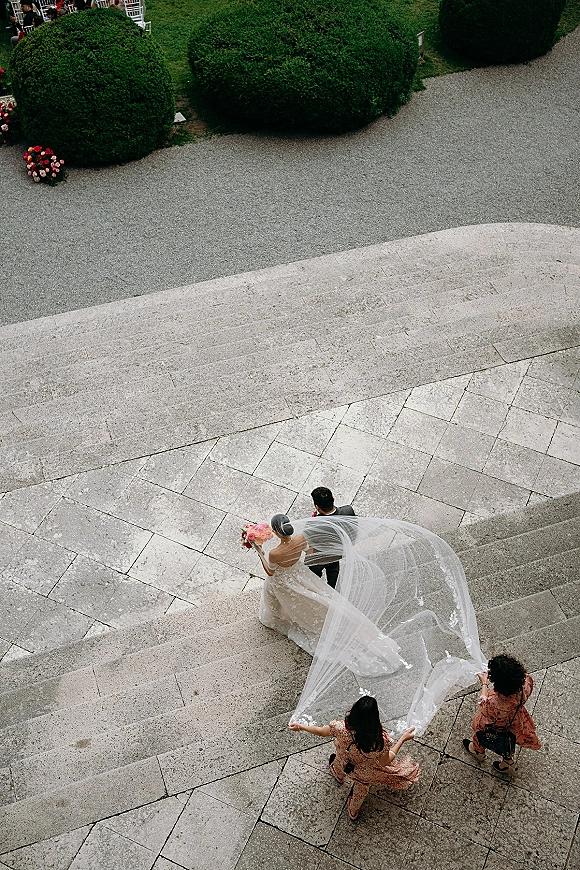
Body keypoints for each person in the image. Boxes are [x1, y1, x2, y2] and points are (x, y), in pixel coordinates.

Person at [290, 695, 420, 819]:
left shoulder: (340, 728)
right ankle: (353, 811)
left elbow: (321, 732)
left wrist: (301, 726)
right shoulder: (380, 742)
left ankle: (338, 775)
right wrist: (402, 739)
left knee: (338, 765)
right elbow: (385, 761)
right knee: (360, 791)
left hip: (344, 761)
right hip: (365, 774)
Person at [463, 654, 541, 776]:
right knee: (508, 741)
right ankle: (507, 763)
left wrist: (484, 684)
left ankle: (478, 751)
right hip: (514, 720)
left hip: (493, 724)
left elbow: (483, 706)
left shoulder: (496, 702)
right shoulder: (526, 681)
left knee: (480, 732)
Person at [306, 486, 356, 589]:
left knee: (313, 579)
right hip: (337, 554)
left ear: (317, 507)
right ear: (333, 498)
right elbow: (353, 532)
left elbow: (309, 546)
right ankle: (334, 592)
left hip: (318, 558)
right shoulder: (348, 511)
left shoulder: (312, 524)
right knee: (334, 576)